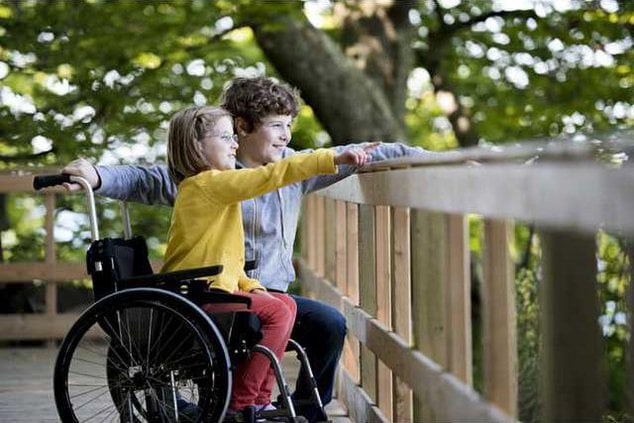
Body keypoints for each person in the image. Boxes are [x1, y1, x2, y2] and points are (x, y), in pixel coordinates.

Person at [62, 76, 436, 422]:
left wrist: (429, 159)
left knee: (329, 323)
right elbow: (142, 178)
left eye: (290, 125)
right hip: (212, 298)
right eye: (276, 125)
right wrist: (96, 175)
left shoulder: (293, 168)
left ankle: (302, 409)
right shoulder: (204, 174)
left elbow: (364, 151)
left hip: (260, 292)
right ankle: (236, 405)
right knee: (253, 328)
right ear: (241, 127)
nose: (287, 136)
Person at [161, 105, 371, 420]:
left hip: (212, 289)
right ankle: (242, 402)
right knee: (276, 311)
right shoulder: (206, 184)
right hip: (195, 298)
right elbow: (271, 175)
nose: (234, 144)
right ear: (196, 146)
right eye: (224, 137)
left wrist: (254, 286)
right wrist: (329, 159)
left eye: (234, 137)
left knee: (282, 303)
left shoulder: (215, 189)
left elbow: (227, 262)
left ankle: (261, 399)